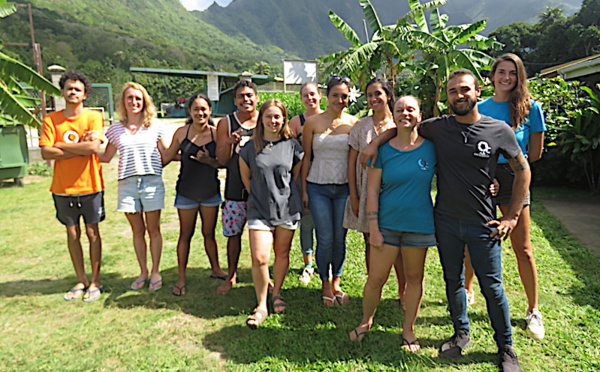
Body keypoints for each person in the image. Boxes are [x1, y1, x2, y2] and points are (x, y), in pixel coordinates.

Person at [361, 69, 530, 372]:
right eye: (453, 91)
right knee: (452, 282)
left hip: (483, 223)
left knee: (492, 287)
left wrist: (512, 216)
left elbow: (523, 170)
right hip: (445, 222)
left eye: (464, 89)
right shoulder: (438, 128)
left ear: (478, 91)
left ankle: (506, 348)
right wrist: (376, 143)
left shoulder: (498, 129)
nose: (459, 95)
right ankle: (460, 334)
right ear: (448, 97)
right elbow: (404, 124)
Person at [463, 53, 547, 340]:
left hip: (515, 177)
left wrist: (511, 171)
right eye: (501, 72)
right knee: (476, 240)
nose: (506, 77)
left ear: (519, 76)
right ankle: (468, 289)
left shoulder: (531, 108)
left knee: (522, 248)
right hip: (484, 178)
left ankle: (533, 310)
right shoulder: (481, 107)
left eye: (512, 72)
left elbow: (534, 153)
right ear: (492, 76)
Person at [349, 96, 436, 354]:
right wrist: (373, 228)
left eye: (411, 109)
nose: (405, 114)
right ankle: (366, 322)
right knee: (376, 278)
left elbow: (456, 173)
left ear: (420, 115)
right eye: (400, 110)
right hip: (386, 225)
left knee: (413, 278)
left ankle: (408, 329)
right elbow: (373, 191)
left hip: (419, 225)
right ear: (394, 114)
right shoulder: (382, 151)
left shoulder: (432, 148)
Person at [40, 71, 105, 302]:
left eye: (77, 89)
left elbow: (93, 149)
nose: (73, 92)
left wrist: (61, 146)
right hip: (62, 188)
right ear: (62, 92)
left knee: (92, 233)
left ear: (85, 94)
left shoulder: (93, 117)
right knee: (72, 233)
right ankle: (81, 280)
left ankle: (95, 281)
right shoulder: (51, 120)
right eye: (69, 88)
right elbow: (46, 152)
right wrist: (79, 145)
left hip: (90, 185)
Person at [239, 99, 304, 329]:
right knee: (260, 258)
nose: (273, 121)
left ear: (284, 119)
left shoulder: (293, 146)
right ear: (261, 118)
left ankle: (277, 292)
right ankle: (261, 304)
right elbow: (246, 178)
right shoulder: (249, 147)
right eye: (269, 116)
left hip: (287, 207)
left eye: (278, 117)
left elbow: (295, 176)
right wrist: (260, 196)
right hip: (259, 208)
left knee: (282, 253)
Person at [343, 77, 406, 307]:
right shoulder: (360, 126)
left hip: (394, 193)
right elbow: (351, 163)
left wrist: (377, 142)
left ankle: (403, 291)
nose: (373, 99)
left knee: (398, 245)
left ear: (388, 95)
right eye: (369, 95)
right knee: (371, 242)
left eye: (378, 93)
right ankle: (373, 290)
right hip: (366, 191)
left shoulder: (400, 121)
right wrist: (354, 195)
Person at [100, 82, 166, 292]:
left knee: (153, 230)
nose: (134, 102)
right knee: (137, 231)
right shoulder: (115, 129)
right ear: (123, 102)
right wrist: (81, 149)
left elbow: (166, 153)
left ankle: (156, 271)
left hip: (151, 182)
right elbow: (106, 156)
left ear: (144, 101)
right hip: (127, 184)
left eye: (138, 98)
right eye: (130, 98)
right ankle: (143, 271)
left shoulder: (154, 125)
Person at [301, 76, 358, 306]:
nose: (340, 100)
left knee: (340, 238)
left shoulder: (354, 123)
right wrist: (303, 189)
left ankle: (336, 282)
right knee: (324, 238)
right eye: (335, 95)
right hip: (317, 187)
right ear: (327, 96)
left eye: (344, 96)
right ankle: (324, 282)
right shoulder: (312, 123)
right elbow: (306, 157)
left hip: (343, 187)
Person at [162, 93, 224, 296]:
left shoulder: (216, 134)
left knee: (209, 234)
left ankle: (215, 269)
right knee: (185, 235)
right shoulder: (181, 132)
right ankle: (181, 278)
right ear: (189, 111)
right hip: (186, 192)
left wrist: (208, 160)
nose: (200, 112)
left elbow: (222, 163)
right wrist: (153, 141)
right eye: (196, 109)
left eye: (204, 109)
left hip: (210, 192)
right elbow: (168, 157)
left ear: (210, 111)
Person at [215, 80, 259, 294]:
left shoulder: (265, 120)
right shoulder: (226, 123)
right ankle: (231, 275)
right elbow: (221, 159)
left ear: (257, 98)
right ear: (235, 101)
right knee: (234, 235)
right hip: (234, 189)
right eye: (241, 96)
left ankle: (261, 277)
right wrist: (230, 143)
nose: (246, 99)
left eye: (249, 95)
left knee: (260, 235)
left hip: (261, 191)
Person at [289, 82, 322, 285]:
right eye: (305, 96)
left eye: (313, 94)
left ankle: (324, 261)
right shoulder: (296, 121)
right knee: (307, 222)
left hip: (326, 177)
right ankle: (308, 263)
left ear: (320, 96)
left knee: (326, 223)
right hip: (303, 177)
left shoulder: (328, 119)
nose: (310, 99)